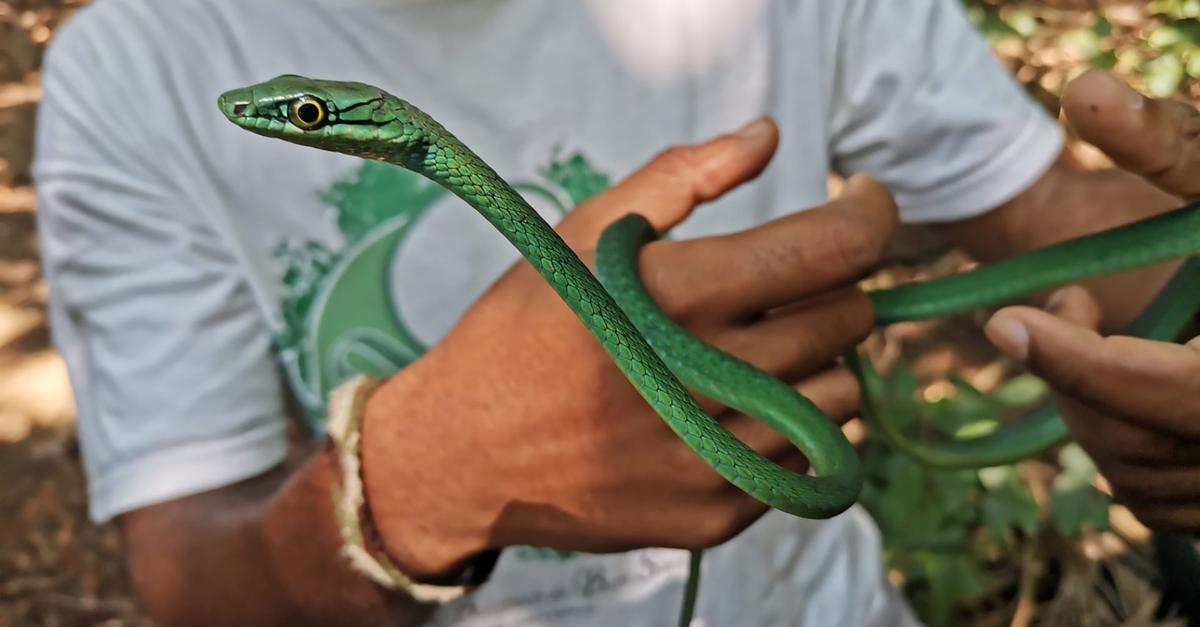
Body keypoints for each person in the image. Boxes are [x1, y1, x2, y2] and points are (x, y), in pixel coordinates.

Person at [30, 0, 1198, 625]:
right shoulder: (136, 67)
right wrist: (408, 485)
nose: (288, 121)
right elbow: (190, 577)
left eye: (304, 117)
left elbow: (1043, 205)